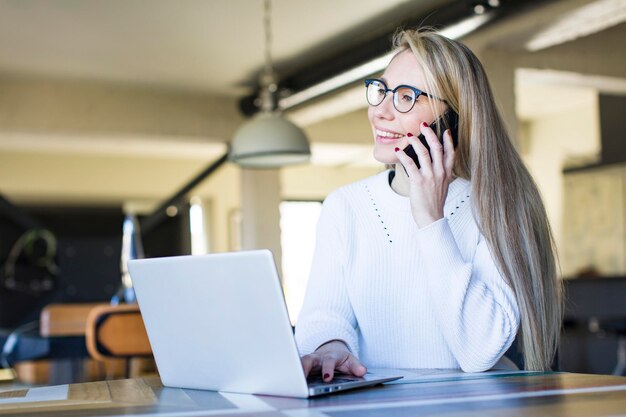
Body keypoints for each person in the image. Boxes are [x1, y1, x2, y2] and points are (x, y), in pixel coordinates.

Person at [294, 28, 563, 382]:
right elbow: (323, 317)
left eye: (406, 97)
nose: (380, 112)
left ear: (454, 116)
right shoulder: (345, 206)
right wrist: (330, 346)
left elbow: (479, 351)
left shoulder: (499, 205)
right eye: (381, 91)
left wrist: (431, 219)